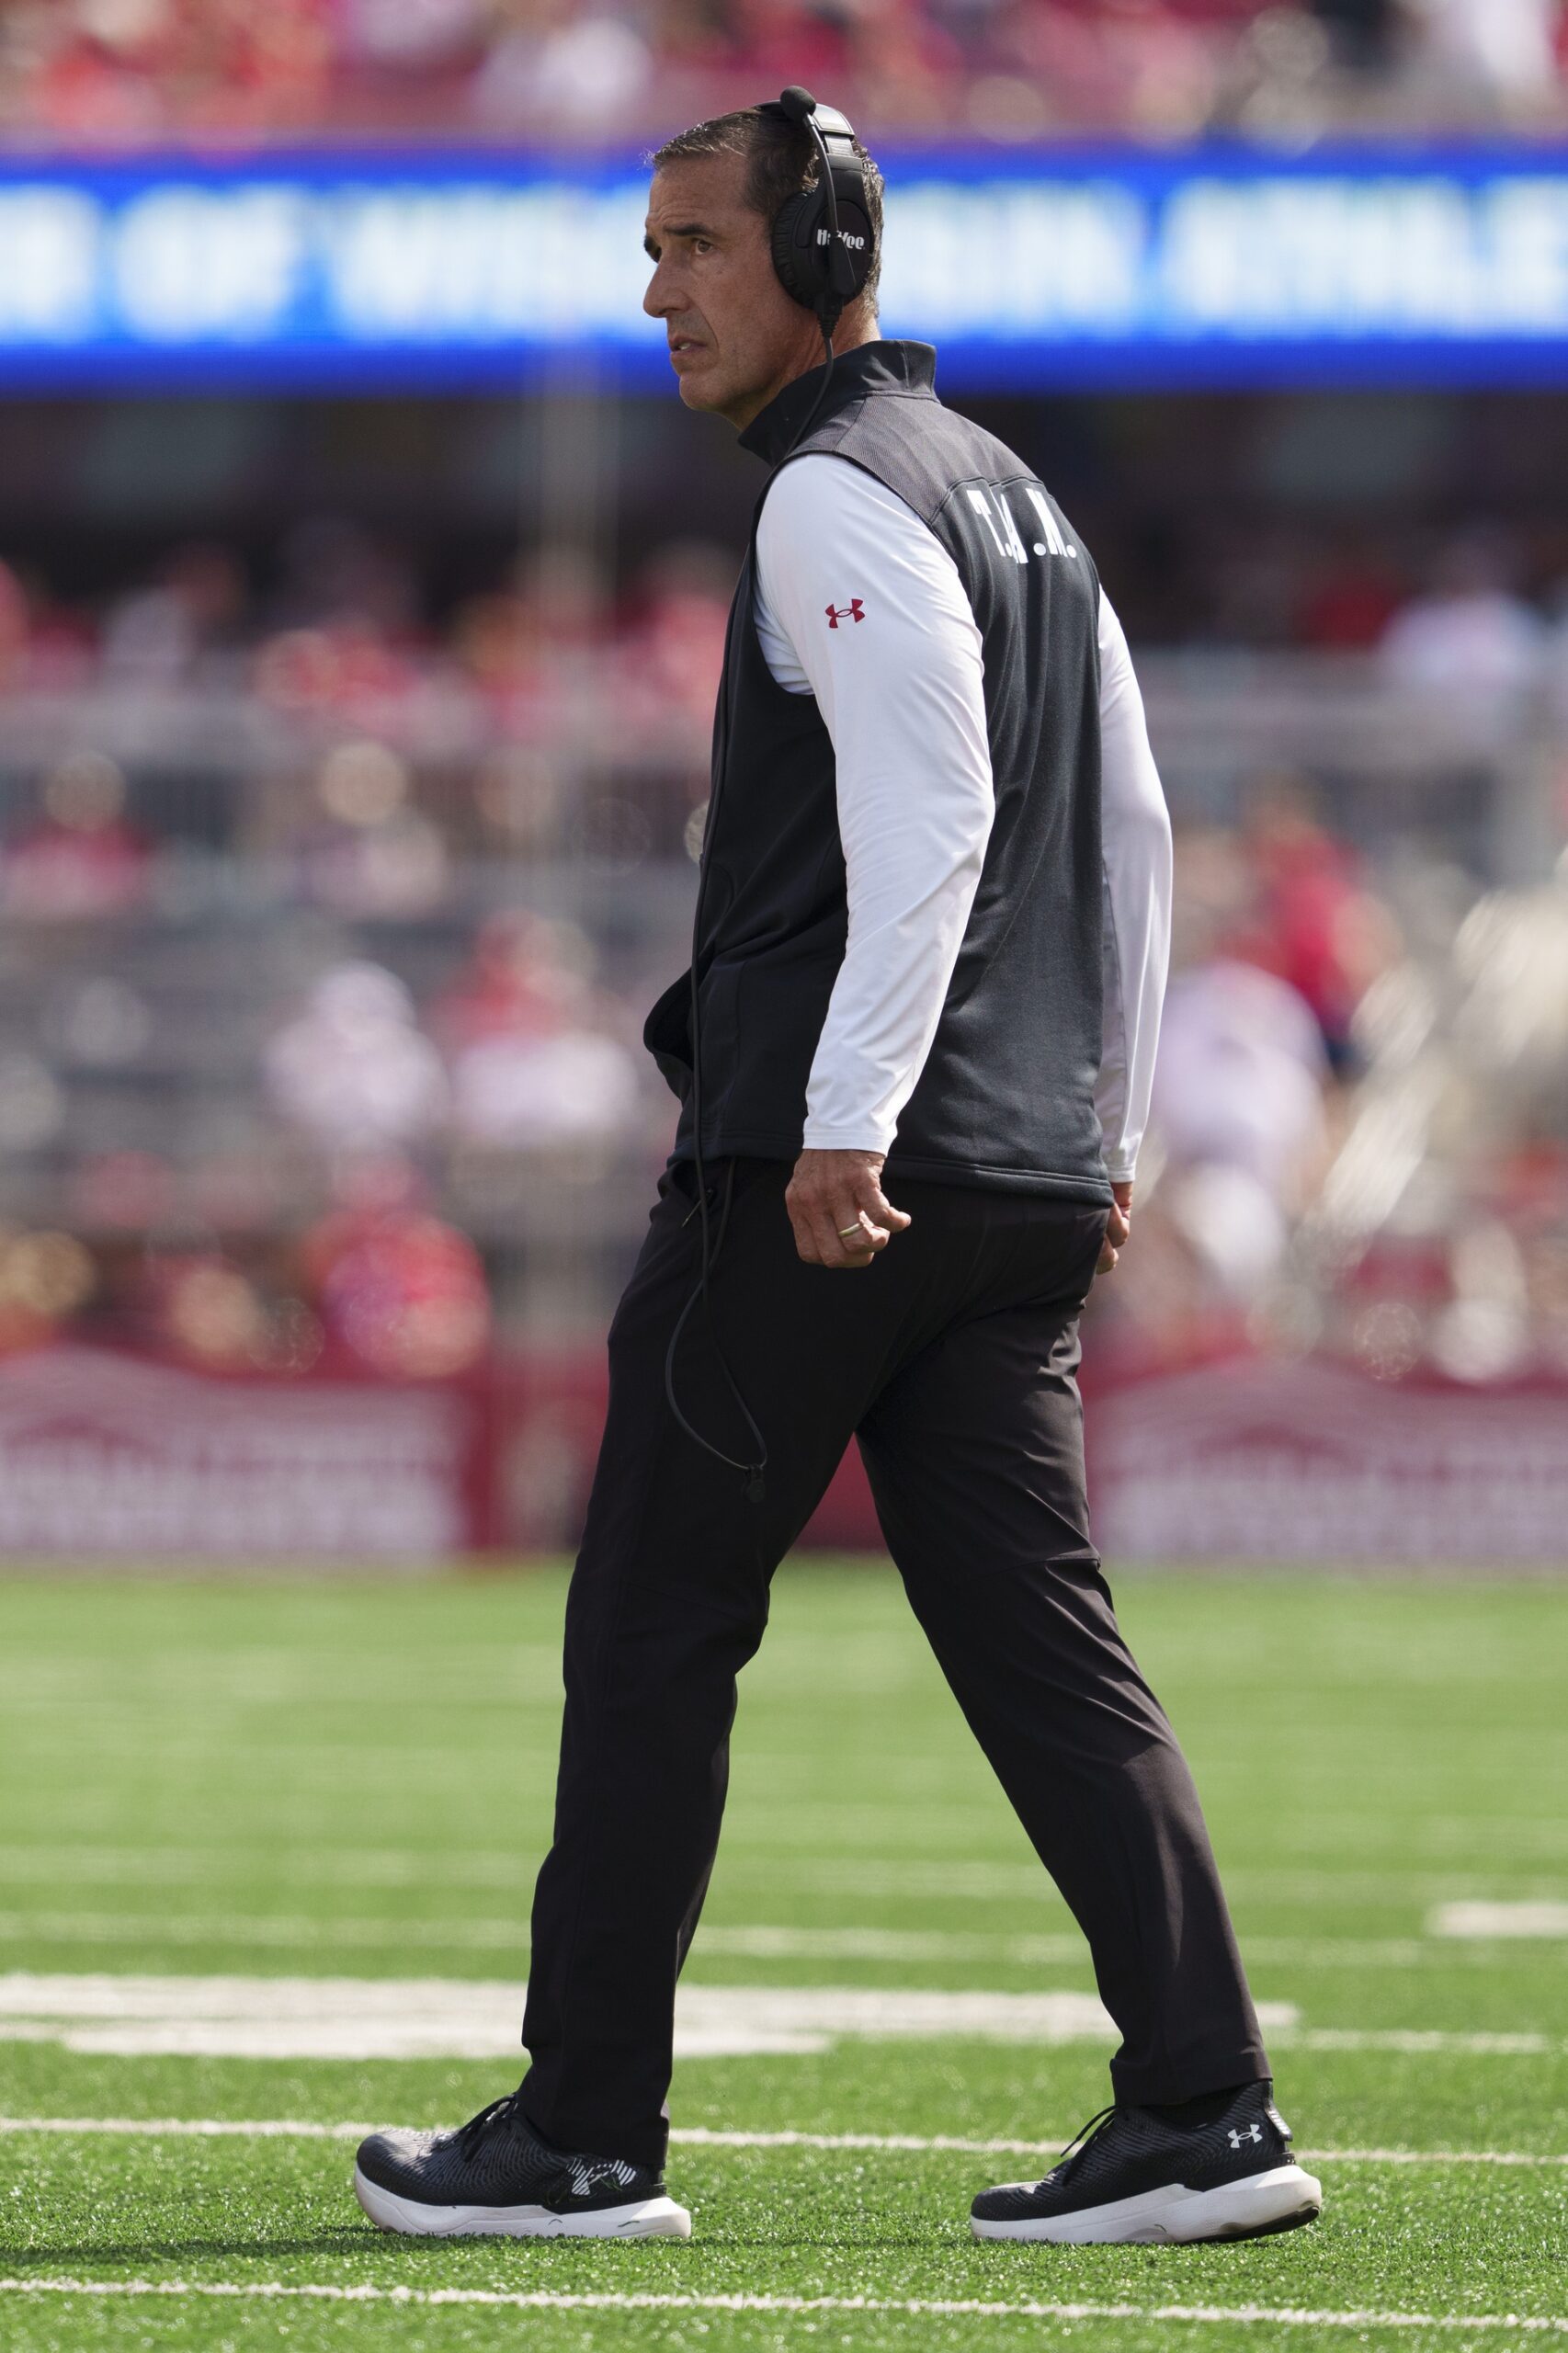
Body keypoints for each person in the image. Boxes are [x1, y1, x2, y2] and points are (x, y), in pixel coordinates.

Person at [354, 92, 1323, 2250]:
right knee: (1040, 1640)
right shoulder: (1017, 494)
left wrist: (846, 1114)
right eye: (651, 244)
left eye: (696, 242)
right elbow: (1138, 834)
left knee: (654, 1618)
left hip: (835, 1173)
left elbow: (943, 815)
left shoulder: (834, 492)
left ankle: (583, 2133)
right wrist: (1112, 1126)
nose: (655, 287)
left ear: (813, 246)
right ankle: (1202, 2103)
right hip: (1021, 1173)